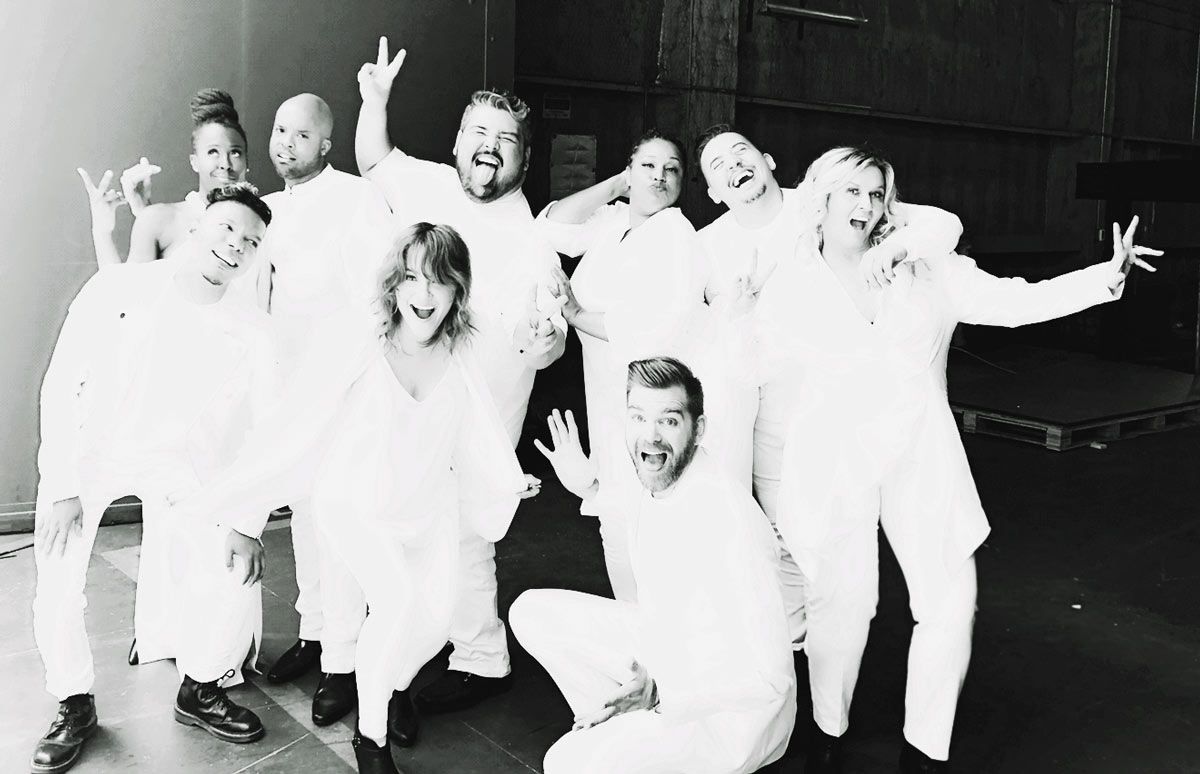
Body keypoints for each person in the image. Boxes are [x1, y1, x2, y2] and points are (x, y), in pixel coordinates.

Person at [765, 147, 1161, 773]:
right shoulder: (790, 282)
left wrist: (1103, 277)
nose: (865, 206)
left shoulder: (928, 269)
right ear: (823, 199)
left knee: (950, 604)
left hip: (922, 456)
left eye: (876, 194)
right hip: (834, 462)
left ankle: (926, 749)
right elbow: (748, 368)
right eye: (852, 192)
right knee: (843, 605)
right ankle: (826, 730)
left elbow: (1015, 302)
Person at [180, 222, 541, 774]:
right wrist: (245, 518)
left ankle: (388, 685)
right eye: (412, 278)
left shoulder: (464, 347)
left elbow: (479, 429)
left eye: (439, 280)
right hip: (355, 503)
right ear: (394, 284)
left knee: (434, 625)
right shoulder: (359, 339)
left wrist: (505, 479)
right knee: (396, 604)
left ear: (458, 288)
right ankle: (371, 742)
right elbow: (291, 427)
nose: (424, 294)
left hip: (429, 509)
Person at [30, 183, 276, 774]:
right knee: (58, 579)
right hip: (93, 455)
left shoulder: (253, 331)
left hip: (182, 464)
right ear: (197, 225)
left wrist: (245, 522)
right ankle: (74, 702)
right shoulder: (119, 288)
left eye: (251, 241)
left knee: (231, 567)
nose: (236, 245)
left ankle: (200, 687)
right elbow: (61, 384)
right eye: (227, 228)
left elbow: (263, 432)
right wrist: (62, 485)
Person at [694, 125, 966, 655]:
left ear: (768, 159)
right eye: (718, 165)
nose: (734, 166)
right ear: (713, 191)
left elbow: (942, 223)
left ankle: (823, 650)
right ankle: (793, 652)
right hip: (763, 415)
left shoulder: (824, 201)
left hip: (839, 411)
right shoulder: (707, 248)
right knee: (780, 544)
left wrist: (897, 246)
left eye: (741, 152)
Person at [355, 36, 566, 714]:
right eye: (479, 132)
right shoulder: (428, 185)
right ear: (457, 143)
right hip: (408, 401)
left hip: (482, 418)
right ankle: (396, 652)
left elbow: (552, 343)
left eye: (505, 139)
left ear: (524, 158)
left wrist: (543, 341)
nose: (489, 146)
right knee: (398, 526)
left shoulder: (535, 241)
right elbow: (372, 160)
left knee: (465, 538)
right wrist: (376, 101)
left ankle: (479, 658)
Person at [514, 357, 795, 774]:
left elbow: (770, 680)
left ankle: (633, 738)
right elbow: (640, 512)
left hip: (721, 720)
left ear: (698, 429)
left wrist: (663, 693)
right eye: (639, 417)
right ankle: (620, 725)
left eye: (669, 420)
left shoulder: (728, 522)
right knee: (530, 613)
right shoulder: (662, 477)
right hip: (667, 651)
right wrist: (587, 486)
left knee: (563, 763)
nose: (651, 434)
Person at [535, 130, 755, 602]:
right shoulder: (612, 221)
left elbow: (654, 329)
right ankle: (638, 632)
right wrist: (618, 185)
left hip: (658, 396)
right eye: (648, 166)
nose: (659, 176)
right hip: (610, 393)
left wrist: (575, 313)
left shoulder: (676, 234)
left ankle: (668, 634)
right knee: (618, 522)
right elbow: (552, 228)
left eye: (671, 169)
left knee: (661, 527)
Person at [250, 92, 395, 732]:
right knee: (305, 519)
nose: (287, 143)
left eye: (302, 135)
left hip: (341, 391)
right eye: (280, 130)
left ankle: (342, 662)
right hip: (289, 393)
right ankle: (313, 633)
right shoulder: (268, 209)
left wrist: (347, 383)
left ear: (326, 145)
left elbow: (376, 297)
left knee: (337, 523)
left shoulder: (355, 199)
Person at [78, 89, 251, 267]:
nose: (225, 164)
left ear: (247, 161)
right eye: (213, 151)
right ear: (194, 162)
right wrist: (102, 231)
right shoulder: (165, 220)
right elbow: (124, 285)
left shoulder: (261, 222)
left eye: (235, 152)